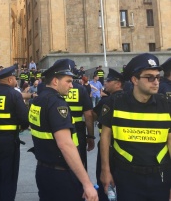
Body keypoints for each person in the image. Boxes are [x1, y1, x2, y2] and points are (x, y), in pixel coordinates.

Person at [100, 53, 171, 200]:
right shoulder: (115, 103)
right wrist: (105, 170)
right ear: (135, 80)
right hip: (127, 177)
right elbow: (105, 137)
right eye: (149, 77)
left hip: (160, 176)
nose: (156, 82)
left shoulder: (166, 104)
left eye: (158, 77)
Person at [28, 59, 98, 201]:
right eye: (68, 81)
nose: (72, 86)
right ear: (55, 81)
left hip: (43, 170)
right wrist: (87, 183)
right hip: (62, 175)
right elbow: (65, 145)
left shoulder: (37, 101)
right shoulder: (57, 104)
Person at [0, 65, 29, 201]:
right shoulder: (14, 94)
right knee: (9, 176)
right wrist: (21, 127)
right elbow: (24, 119)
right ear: (10, 80)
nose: (16, 80)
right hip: (8, 141)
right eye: (15, 78)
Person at [93, 68, 124, 201]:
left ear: (118, 84)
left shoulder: (107, 101)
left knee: (104, 180)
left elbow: (94, 115)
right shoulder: (130, 99)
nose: (105, 83)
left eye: (109, 81)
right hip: (124, 148)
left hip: (108, 148)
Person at [64, 64, 95, 170]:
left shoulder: (56, 90)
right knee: (79, 161)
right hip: (78, 130)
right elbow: (88, 114)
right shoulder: (81, 89)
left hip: (58, 129)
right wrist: (90, 136)